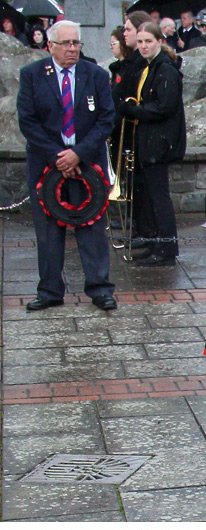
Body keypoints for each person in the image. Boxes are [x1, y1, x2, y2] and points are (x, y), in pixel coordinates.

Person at [17, 21, 117, 312]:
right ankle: (49, 290)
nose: (73, 48)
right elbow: (29, 121)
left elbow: (106, 119)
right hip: (47, 164)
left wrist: (78, 155)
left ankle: (100, 289)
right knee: (48, 230)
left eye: (76, 43)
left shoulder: (96, 75)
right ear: (50, 46)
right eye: (66, 43)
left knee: (92, 227)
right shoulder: (33, 75)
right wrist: (58, 157)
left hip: (87, 164)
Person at [116, 23, 185, 267]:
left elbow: (164, 106)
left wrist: (135, 110)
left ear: (159, 41)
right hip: (148, 141)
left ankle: (166, 248)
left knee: (159, 197)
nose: (144, 46)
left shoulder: (165, 69)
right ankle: (156, 242)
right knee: (150, 197)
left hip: (159, 142)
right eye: (141, 41)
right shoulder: (149, 67)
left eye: (149, 41)